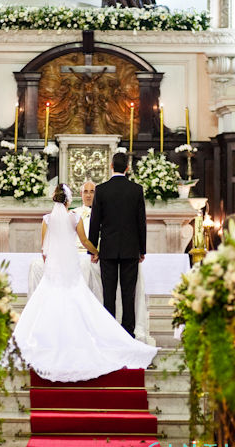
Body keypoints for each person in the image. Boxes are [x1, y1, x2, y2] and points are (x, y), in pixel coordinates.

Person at [11, 184, 157, 382]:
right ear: (69, 200)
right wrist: (96, 252)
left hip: (53, 273)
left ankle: (46, 344)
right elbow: (85, 241)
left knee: (46, 305)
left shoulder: (46, 219)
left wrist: (50, 265)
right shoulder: (74, 217)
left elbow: (44, 249)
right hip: (70, 273)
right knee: (79, 305)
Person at [88, 152, 147, 338]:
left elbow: (95, 221)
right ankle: (128, 333)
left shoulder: (102, 189)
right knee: (128, 293)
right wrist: (142, 249)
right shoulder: (136, 189)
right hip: (130, 249)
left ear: (111, 166)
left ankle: (109, 332)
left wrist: (93, 250)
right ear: (127, 168)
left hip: (108, 249)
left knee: (109, 293)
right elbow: (141, 222)